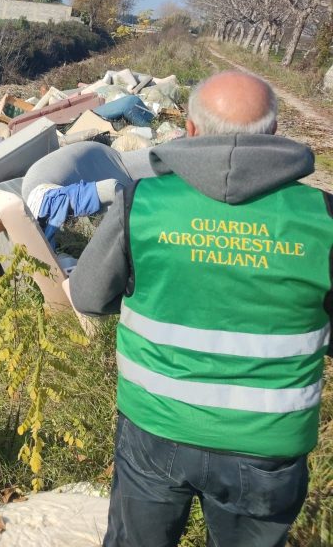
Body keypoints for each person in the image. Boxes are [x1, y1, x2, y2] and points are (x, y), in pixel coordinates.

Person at [70, 70, 333, 547]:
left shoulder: (141, 201)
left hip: (154, 428)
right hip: (268, 445)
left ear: (189, 130)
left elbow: (87, 295)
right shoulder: (323, 217)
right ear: (273, 134)